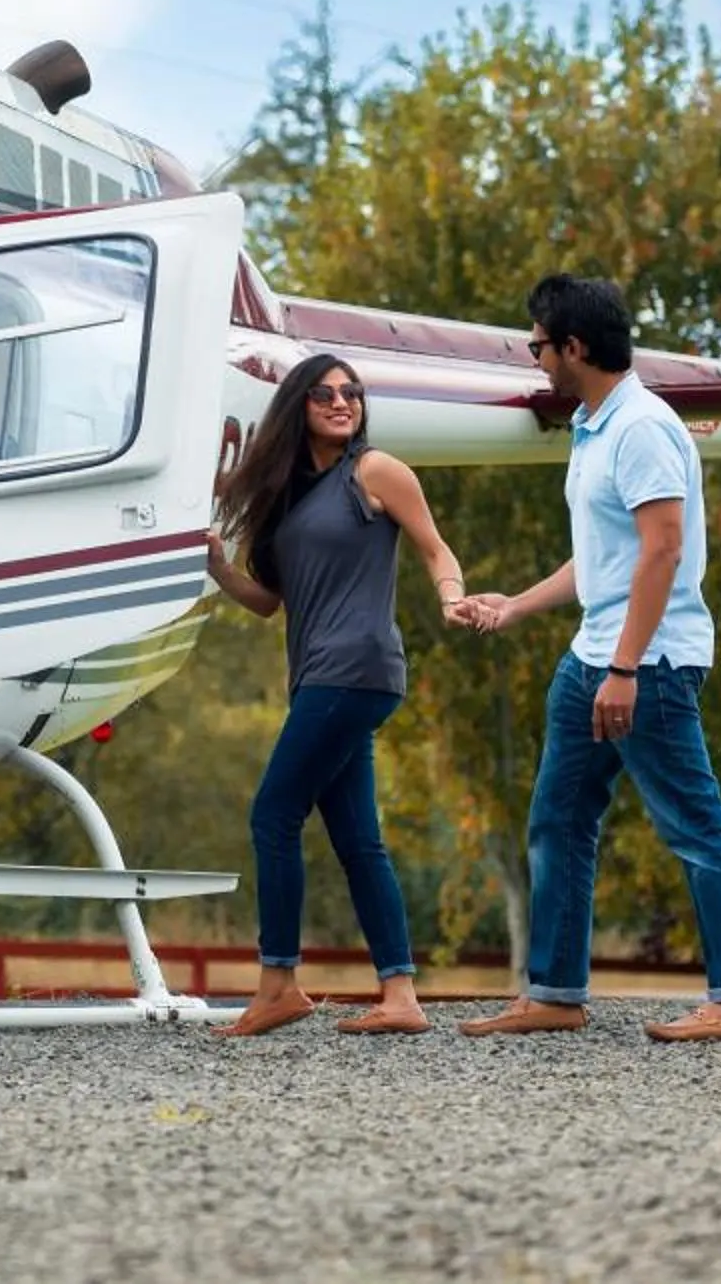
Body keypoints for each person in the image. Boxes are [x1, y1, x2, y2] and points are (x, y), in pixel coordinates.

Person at [454, 274, 721, 1043]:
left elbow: (662, 552)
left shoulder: (641, 428)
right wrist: (515, 604)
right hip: (590, 657)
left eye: (538, 343)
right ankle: (557, 994)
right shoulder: (594, 426)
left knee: (695, 826)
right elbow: (603, 560)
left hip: (650, 664)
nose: (533, 357)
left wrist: (626, 669)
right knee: (558, 821)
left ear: (573, 347)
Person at [203, 354, 469, 1037]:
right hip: (321, 673)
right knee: (359, 840)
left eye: (351, 393)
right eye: (324, 394)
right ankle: (401, 995)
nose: (341, 402)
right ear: (299, 405)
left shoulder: (373, 472)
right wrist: (219, 569)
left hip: (355, 669)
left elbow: (436, 549)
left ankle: (279, 983)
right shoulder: (290, 496)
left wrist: (451, 597)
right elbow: (271, 603)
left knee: (273, 816)